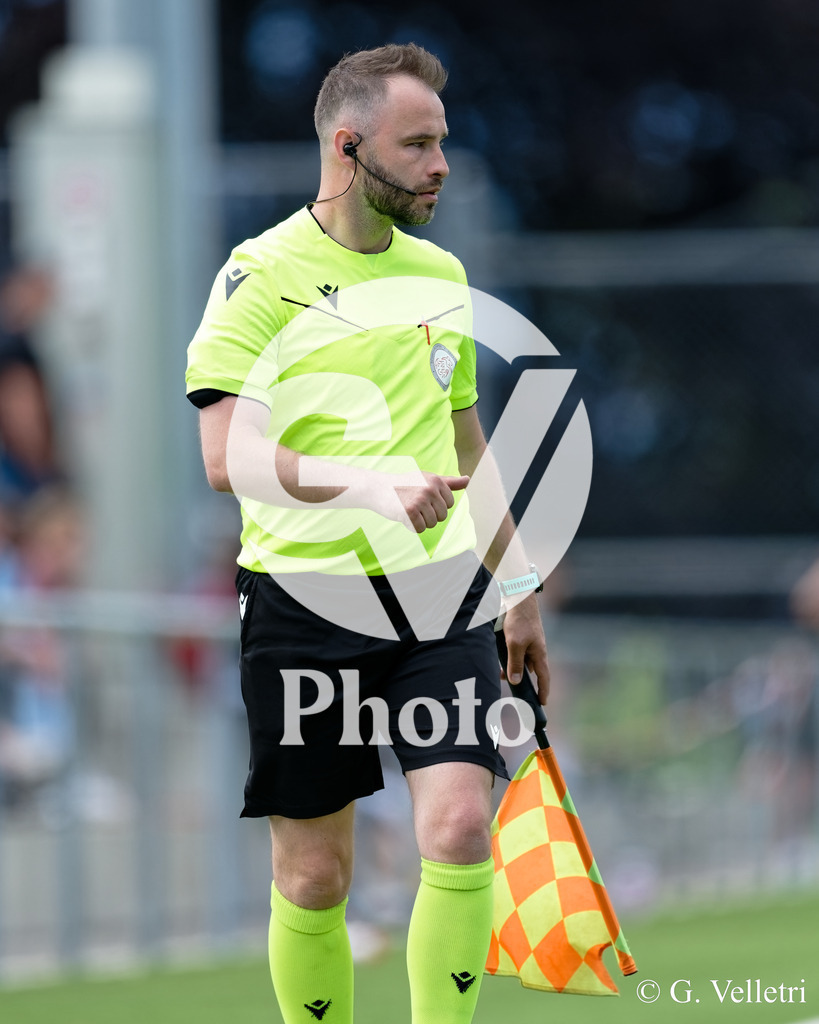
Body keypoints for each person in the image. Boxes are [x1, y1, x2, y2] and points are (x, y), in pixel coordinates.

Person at [186, 43, 549, 1024]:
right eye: (418, 144)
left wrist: (517, 587)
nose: (441, 165)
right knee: (314, 877)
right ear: (348, 147)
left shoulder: (441, 274)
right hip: (302, 606)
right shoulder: (259, 276)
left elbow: (467, 443)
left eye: (442, 141)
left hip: (439, 598)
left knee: (461, 825)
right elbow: (224, 456)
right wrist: (373, 486)